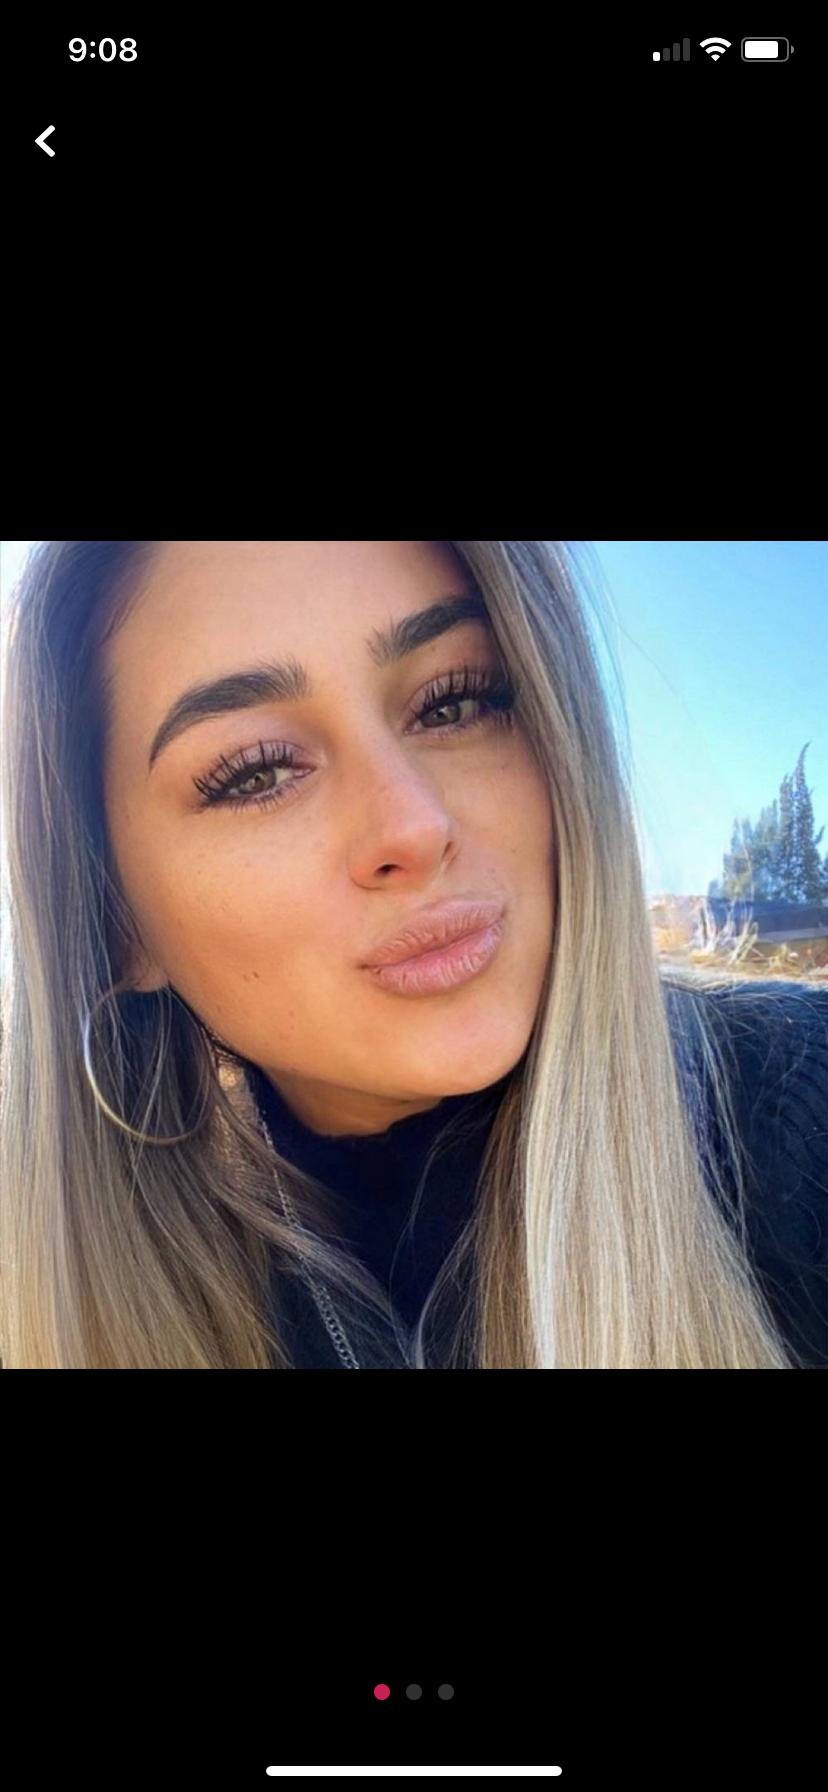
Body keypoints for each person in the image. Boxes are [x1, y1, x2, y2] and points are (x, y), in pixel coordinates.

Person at [1, 540, 824, 1368]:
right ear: (116, 921)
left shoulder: (800, 1121)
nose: (416, 827)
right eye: (256, 773)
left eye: (453, 703)